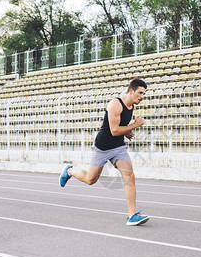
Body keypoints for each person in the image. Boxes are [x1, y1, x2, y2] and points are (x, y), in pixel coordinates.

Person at [59, 78, 149, 226]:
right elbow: (113, 130)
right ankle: (69, 171)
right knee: (90, 179)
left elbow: (120, 127)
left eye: (144, 94)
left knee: (129, 176)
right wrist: (135, 125)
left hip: (118, 148)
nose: (142, 96)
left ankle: (132, 215)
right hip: (102, 147)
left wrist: (128, 133)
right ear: (131, 91)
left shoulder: (131, 106)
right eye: (140, 93)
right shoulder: (115, 104)